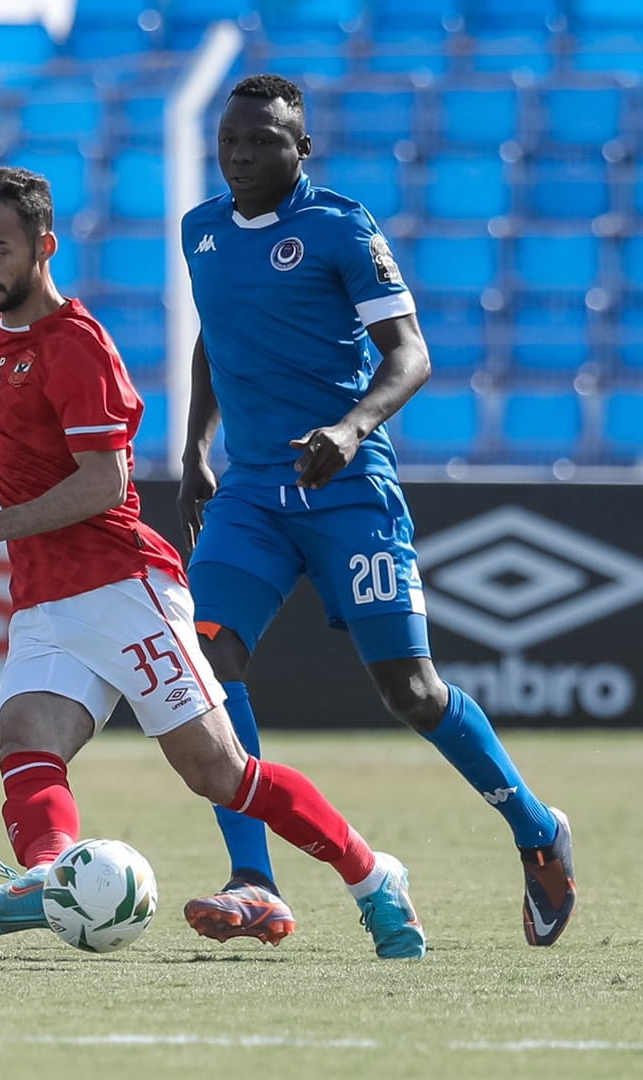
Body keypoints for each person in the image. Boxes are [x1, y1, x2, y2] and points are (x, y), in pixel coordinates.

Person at [0, 166, 426, 960]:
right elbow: (1, 385)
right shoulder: (4, 327)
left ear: (43, 248)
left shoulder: (81, 347)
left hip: (124, 588)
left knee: (221, 774)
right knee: (26, 741)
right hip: (47, 596)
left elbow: (105, 482)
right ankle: (52, 881)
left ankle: (372, 876)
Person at [175, 74, 572, 947]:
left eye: (262, 141)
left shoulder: (341, 228)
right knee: (207, 662)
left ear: (301, 148)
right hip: (250, 494)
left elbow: (412, 354)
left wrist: (353, 428)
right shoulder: (200, 230)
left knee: (412, 692)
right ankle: (254, 880)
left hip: (347, 490)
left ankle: (538, 832)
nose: (240, 155)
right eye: (229, 141)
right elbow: (216, 330)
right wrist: (197, 447)